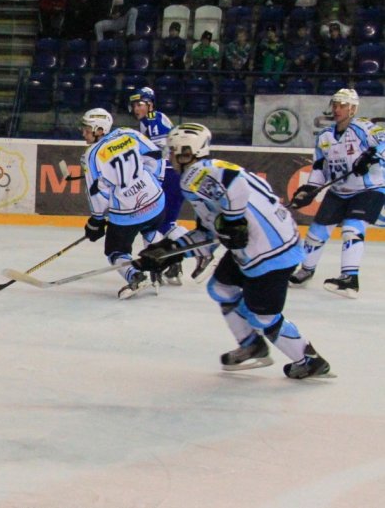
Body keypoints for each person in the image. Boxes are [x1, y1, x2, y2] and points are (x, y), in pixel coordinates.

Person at [136, 123, 332, 379]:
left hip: (271, 253)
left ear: (186, 152)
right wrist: (168, 251)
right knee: (220, 287)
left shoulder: (198, 174)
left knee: (264, 317)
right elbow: (209, 234)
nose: (170, 156)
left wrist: (234, 219)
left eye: (172, 151)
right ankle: (252, 345)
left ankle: (310, 360)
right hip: (258, 248)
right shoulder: (202, 173)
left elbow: (234, 182)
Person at [287, 89, 385, 297]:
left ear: (353, 108)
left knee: (352, 228)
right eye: (335, 105)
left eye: (343, 105)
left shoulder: (364, 128)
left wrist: (370, 156)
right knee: (316, 232)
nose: (337, 109)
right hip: (339, 191)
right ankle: (306, 270)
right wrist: (309, 189)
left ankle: (350, 279)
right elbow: (320, 167)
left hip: (369, 189)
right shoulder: (324, 136)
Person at [80, 108, 167, 299]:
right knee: (150, 229)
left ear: (99, 129)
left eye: (87, 129)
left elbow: (97, 192)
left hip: (127, 213)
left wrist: (96, 220)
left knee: (115, 250)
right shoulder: (129, 133)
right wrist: (154, 182)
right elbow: (155, 155)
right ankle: (158, 268)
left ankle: (135, 276)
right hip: (156, 201)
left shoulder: (92, 154)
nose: (83, 133)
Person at [128, 88, 208, 284]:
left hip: (168, 174)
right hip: (175, 174)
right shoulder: (156, 118)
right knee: (167, 223)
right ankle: (176, 262)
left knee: (153, 221)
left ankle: (190, 254)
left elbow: (157, 152)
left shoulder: (151, 119)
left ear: (150, 104)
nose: (136, 108)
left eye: (140, 104)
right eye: (134, 105)